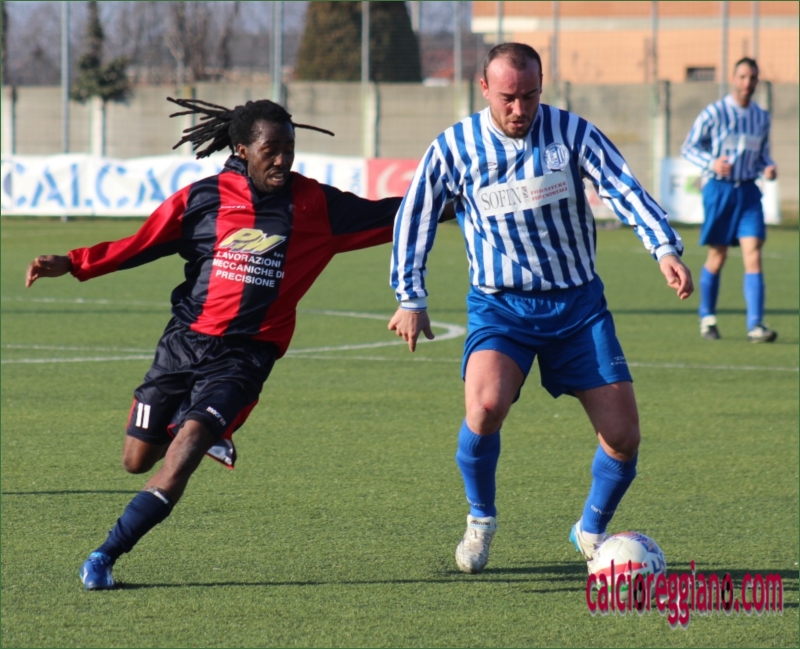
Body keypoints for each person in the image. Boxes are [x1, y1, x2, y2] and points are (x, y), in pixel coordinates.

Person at [25, 97, 404, 590]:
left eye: (289, 148)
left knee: (186, 446)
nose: (283, 159)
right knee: (135, 460)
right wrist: (75, 262)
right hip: (184, 344)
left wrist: (464, 198)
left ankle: (105, 555)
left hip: (246, 354)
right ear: (242, 149)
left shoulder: (315, 206)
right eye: (271, 149)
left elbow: (397, 214)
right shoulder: (203, 199)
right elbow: (141, 244)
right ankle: (200, 424)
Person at [388, 43, 693, 575]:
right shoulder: (454, 147)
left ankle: (591, 530)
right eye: (508, 97)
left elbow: (623, 188)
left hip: (578, 307)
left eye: (530, 95)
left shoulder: (572, 133)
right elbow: (415, 218)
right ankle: (481, 520)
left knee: (623, 437)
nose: (519, 108)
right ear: (484, 88)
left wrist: (664, 248)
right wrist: (410, 297)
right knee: (485, 407)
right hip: (501, 307)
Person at [681, 57, 778, 343]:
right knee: (718, 255)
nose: (747, 83)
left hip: (748, 191)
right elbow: (688, 147)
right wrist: (712, 163)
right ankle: (707, 317)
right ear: (734, 79)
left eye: (752, 78)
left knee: (753, 253)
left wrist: (768, 167)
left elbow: (762, 154)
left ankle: (755, 325)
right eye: (743, 77)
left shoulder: (761, 117)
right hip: (720, 190)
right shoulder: (715, 112)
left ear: (757, 81)